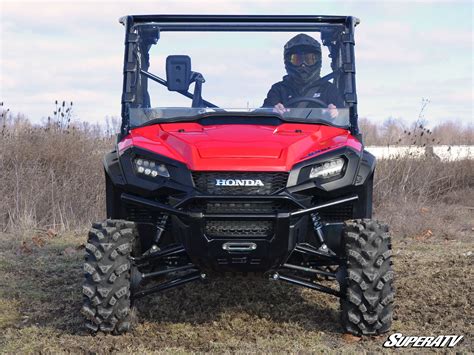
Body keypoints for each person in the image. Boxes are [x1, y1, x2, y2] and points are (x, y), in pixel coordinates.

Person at [263, 33, 344, 118]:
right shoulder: (278, 90)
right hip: (286, 131)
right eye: (297, 60)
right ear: (288, 61)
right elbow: (261, 116)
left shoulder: (329, 90)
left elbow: (344, 120)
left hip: (320, 131)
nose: (303, 65)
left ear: (317, 61)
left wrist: (336, 113)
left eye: (309, 60)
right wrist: (272, 110)